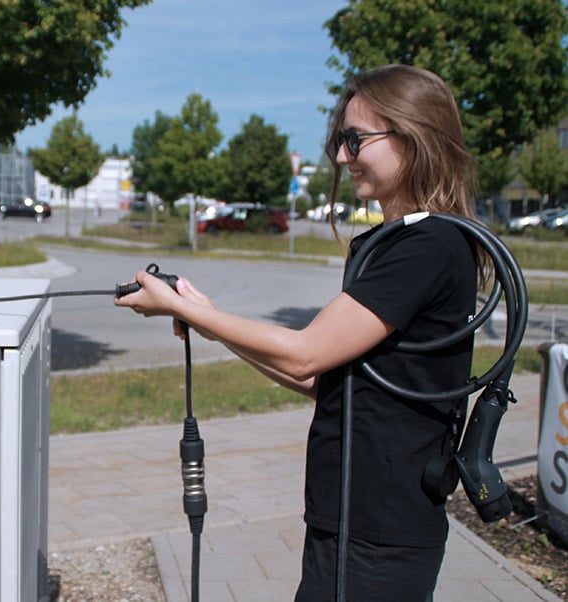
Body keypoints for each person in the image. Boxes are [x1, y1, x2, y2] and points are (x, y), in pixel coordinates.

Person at [115, 64, 485, 601]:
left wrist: (190, 313)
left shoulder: (427, 247)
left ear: (413, 137)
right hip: (351, 518)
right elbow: (324, 379)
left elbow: (305, 355)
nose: (340, 156)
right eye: (340, 140)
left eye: (354, 139)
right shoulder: (393, 243)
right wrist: (212, 321)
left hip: (380, 531)